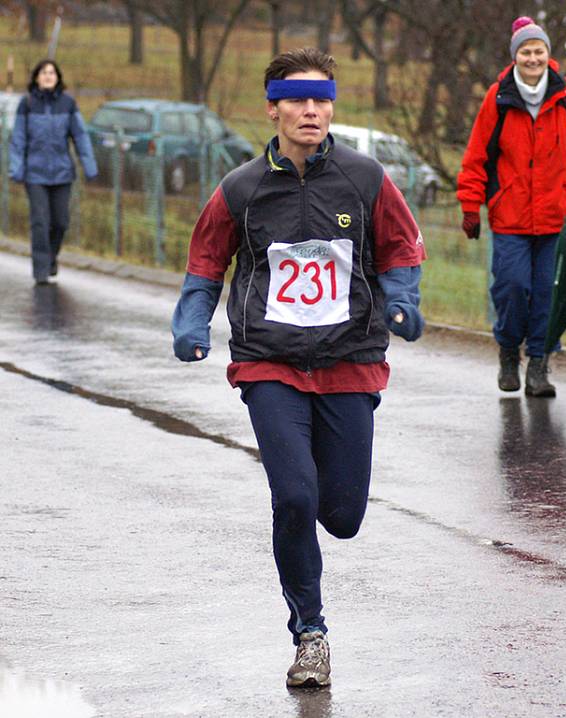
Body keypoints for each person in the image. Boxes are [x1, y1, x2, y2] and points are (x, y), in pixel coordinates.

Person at [171, 47, 425, 688]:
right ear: (274, 108)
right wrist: (192, 320)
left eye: (322, 99)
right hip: (270, 365)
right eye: (297, 100)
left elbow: (399, 246)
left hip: (350, 363)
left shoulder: (366, 179)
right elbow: (207, 260)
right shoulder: (242, 188)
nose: (311, 111)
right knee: (294, 496)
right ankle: (310, 633)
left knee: (341, 515)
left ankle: (311, 521)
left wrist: (402, 300)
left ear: (331, 106)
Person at [457, 16, 566, 397]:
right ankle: (509, 350)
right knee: (512, 287)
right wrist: (470, 204)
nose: (533, 58)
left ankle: (540, 366)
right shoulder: (498, 96)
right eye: (526, 52)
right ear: (515, 57)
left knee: (549, 291)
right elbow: (476, 155)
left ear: (549, 54)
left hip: (558, 214)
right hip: (510, 214)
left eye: (539, 51)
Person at [9, 59, 97, 285]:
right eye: (43, 72)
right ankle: (40, 269)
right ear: (36, 77)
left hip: (62, 174)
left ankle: (51, 257)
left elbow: (80, 136)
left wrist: (89, 165)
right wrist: (16, 167)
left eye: (52, 72)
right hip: (35, 174)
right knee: (39, 221)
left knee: (60, 222)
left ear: (58, 77)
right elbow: (18, 139)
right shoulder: (27, 104)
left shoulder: (68, 104)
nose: (48, 76)